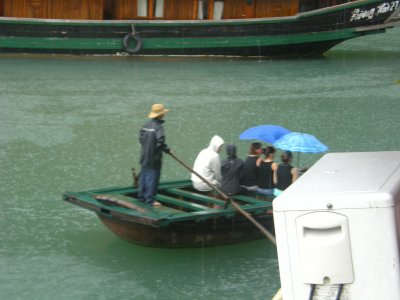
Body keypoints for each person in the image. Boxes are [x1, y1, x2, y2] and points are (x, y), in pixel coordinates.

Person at [138, 103, 171, 207]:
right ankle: (150, 201)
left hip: (144, 156)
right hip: (154, 158)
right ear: (161, 115)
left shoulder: (145, 126)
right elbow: (160, 141)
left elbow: (141, 139)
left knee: (143, 176)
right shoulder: (158, 127)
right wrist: (166, 148)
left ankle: (142, 197)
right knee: (152, 179)